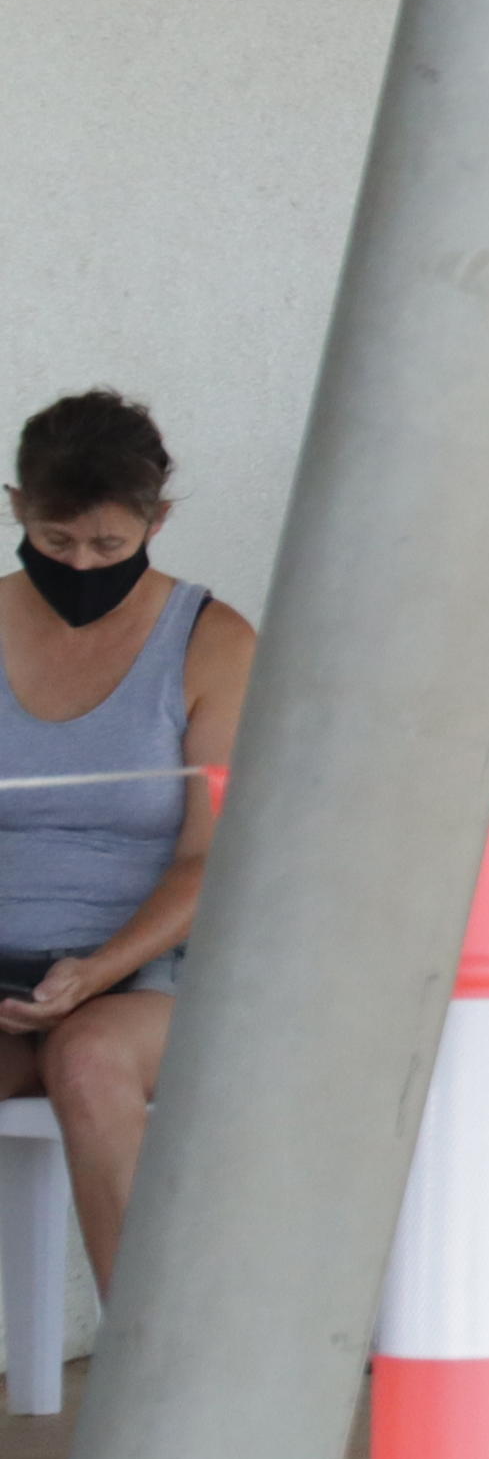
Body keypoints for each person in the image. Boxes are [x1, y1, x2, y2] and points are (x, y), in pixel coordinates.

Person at [0, 393, 253, 1289]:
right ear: (17, 506)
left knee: (88, 1057)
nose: (79, 563)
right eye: (56, 540)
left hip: (149, 971)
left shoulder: (210, 642)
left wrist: (95, 970)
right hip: (9, 970)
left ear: (158, 521)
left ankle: (149, 1372)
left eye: (108, 546)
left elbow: (211, 855)